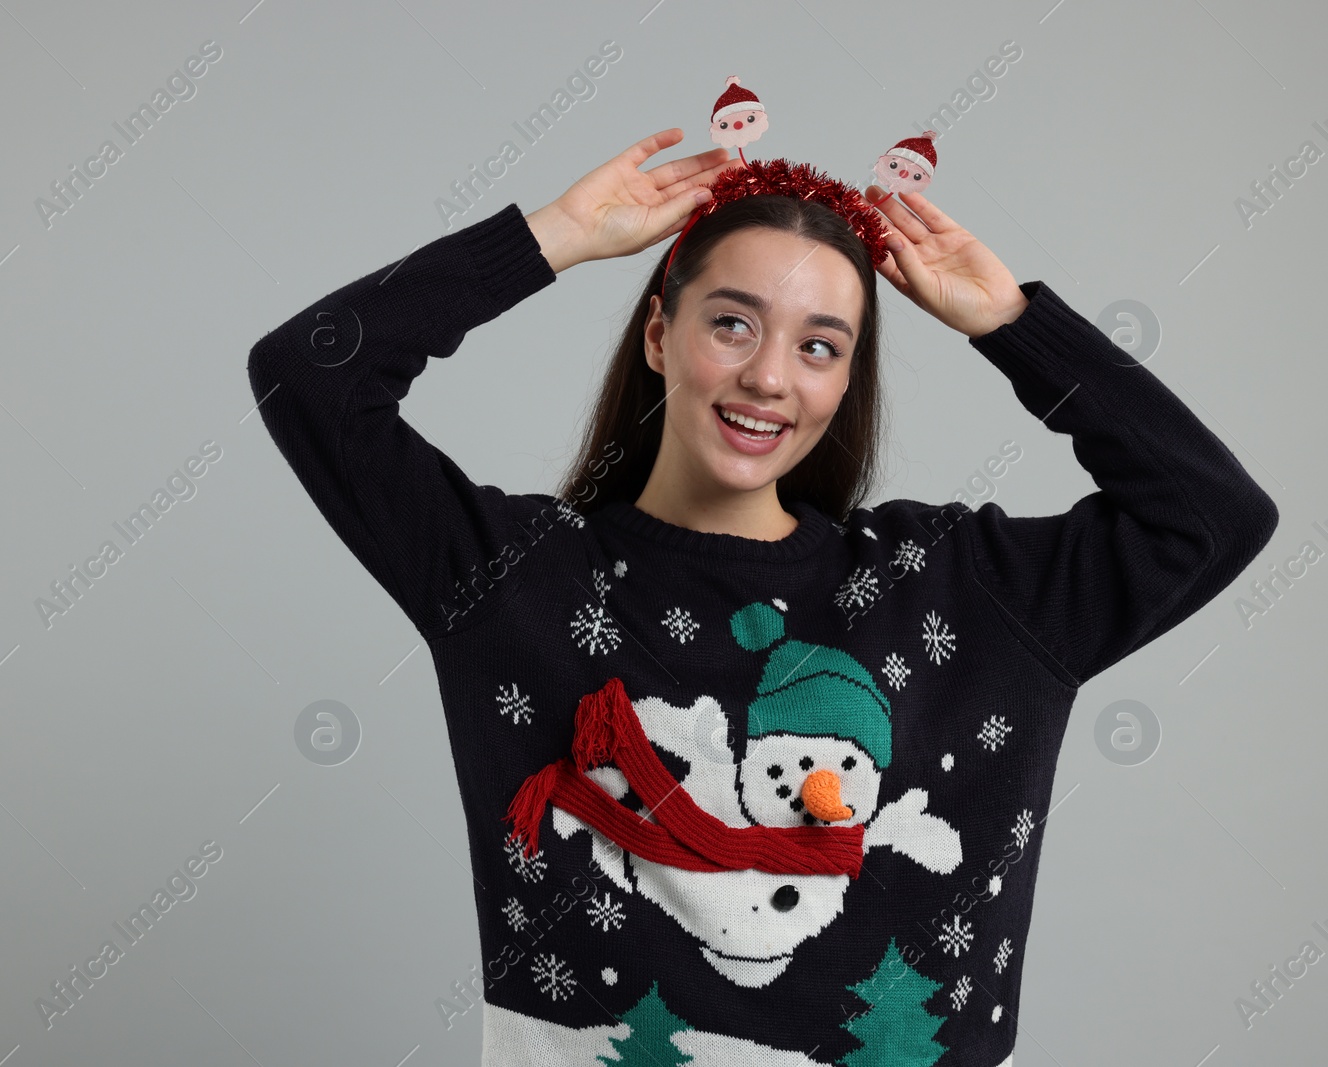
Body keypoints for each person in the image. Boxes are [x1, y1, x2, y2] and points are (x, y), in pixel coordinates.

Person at [248, 128, 1277, 1066]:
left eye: (819, 344)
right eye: (731, 323)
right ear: (659, 334)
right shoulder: (517, 578)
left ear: (845, 380)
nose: (770, 377)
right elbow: (307, 373)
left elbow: (1211, 514)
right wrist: (552, 237)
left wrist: (1011, 323)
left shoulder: (953, 591)